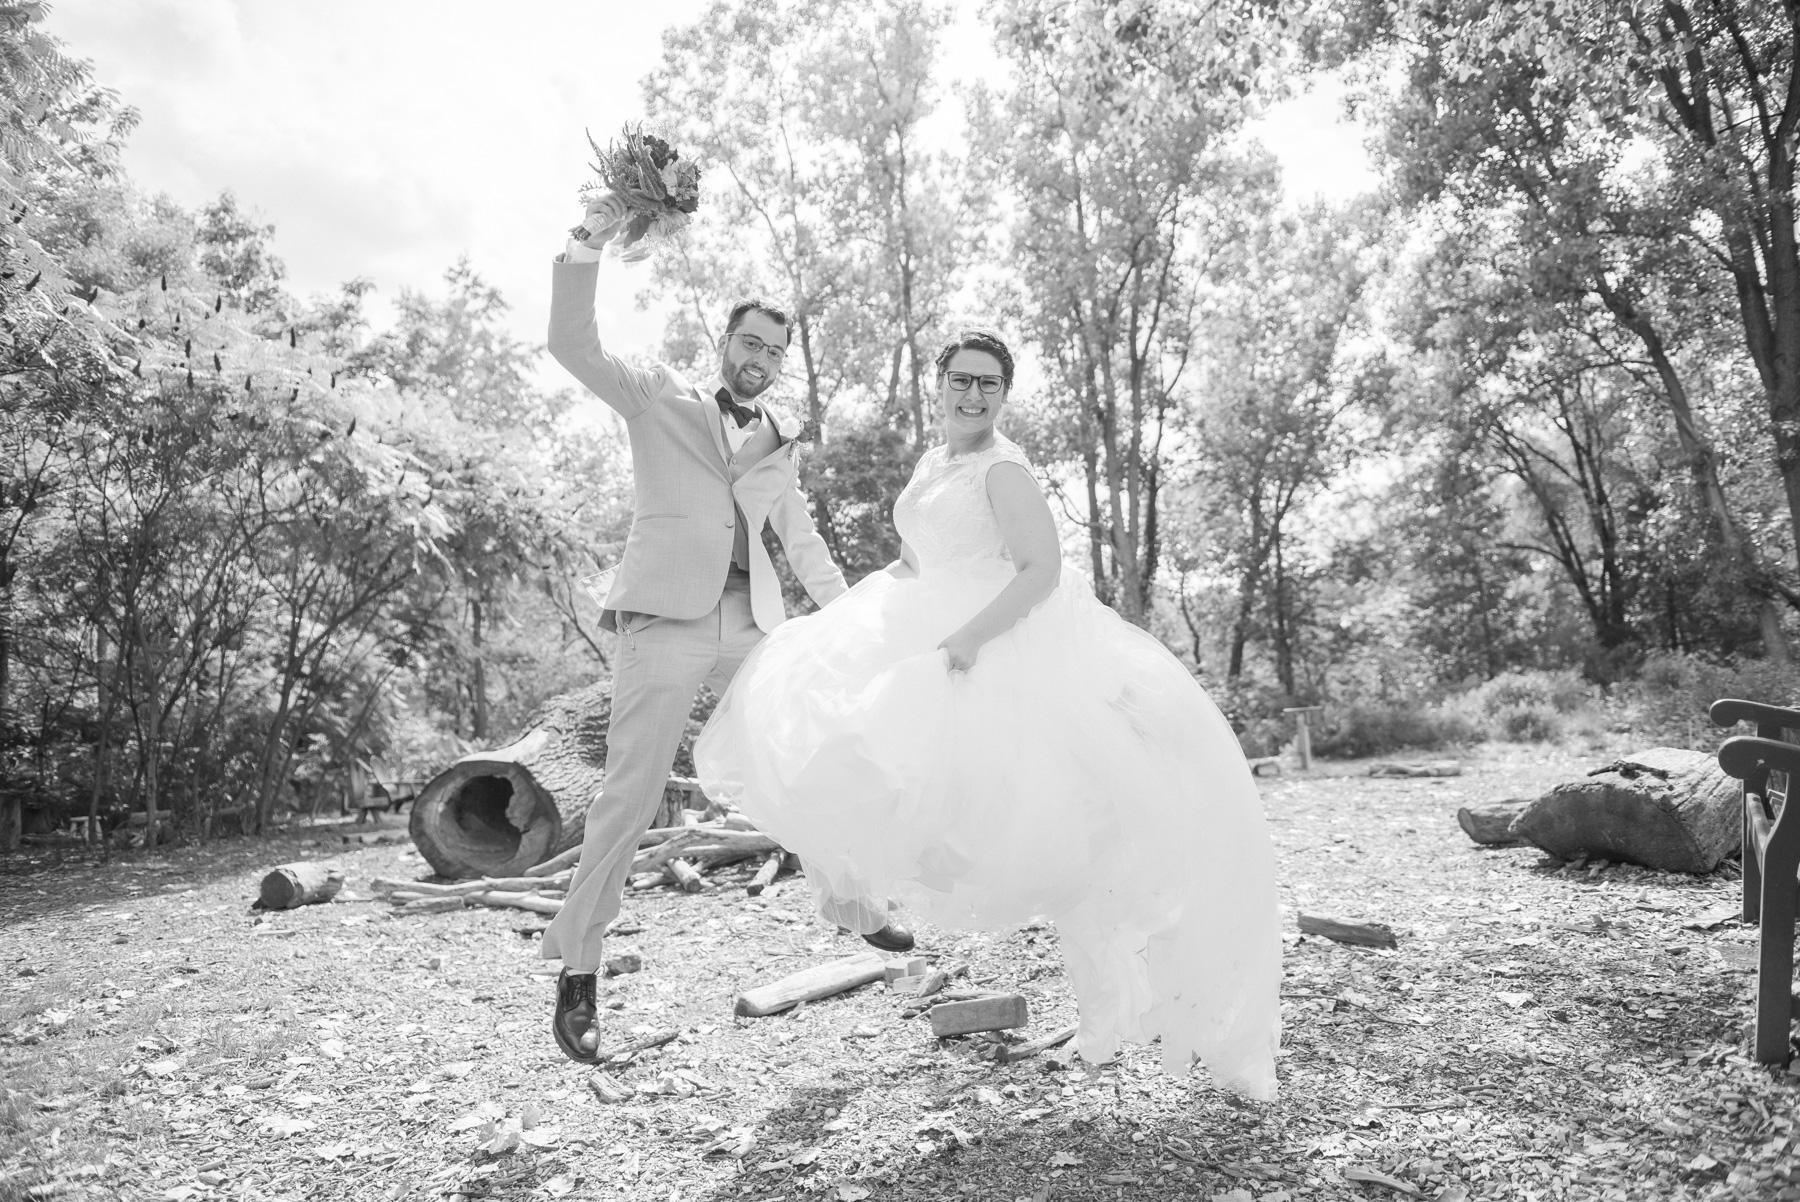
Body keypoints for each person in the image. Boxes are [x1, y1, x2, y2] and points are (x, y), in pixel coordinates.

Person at [694, 329, 1282, 1100]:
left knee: (1048, 828)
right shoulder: (934, 461)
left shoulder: (1004, 469)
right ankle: (860, 895)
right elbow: (916, 558)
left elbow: (1041, 570)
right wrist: (856, 607)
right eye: (962, 380)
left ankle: (1143, 1003)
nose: (973, 395)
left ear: (1003, 395)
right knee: (846, 726)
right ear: (939, 383)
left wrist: (969, 639)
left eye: (989, 384)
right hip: (924, 615)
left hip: (993, 639)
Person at [538, 194, 912, 1065]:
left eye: (775, 352)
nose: (761, 361)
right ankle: (579, 969)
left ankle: (852, 902)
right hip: (664, 621)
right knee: (629, 797)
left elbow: (802, 540)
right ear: (726, 344)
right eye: (751, 344)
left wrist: (853, 618)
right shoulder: (657, 399)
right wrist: (586, 241)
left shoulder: (779, 441)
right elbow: (572, 345)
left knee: (815, 743)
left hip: (751, 624)